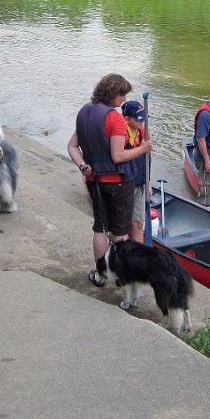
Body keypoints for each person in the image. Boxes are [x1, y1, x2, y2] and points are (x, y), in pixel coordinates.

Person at [67, 74, 152, 287]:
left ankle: (101, 275)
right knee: (120, 233)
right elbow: (118, 156)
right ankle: (122, 278)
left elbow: (72, 146)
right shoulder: (115, 118)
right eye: (122, 94)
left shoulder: (84, 112)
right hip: (118, 183)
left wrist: (82, 165)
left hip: (94, 181)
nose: (124, 99)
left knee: (100, 228)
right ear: (113, 93)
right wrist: (143, 148)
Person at [121, 100, 149, 243]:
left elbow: (147, 160)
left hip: (140, 184)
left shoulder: (143, 134)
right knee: (121, 227)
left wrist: (148, 182)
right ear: (127, 119)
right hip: (125, 185)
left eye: (143, 117)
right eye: (138, 118)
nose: (142, 121)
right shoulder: (120, 135)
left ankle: (139, 254)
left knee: (138, 223)